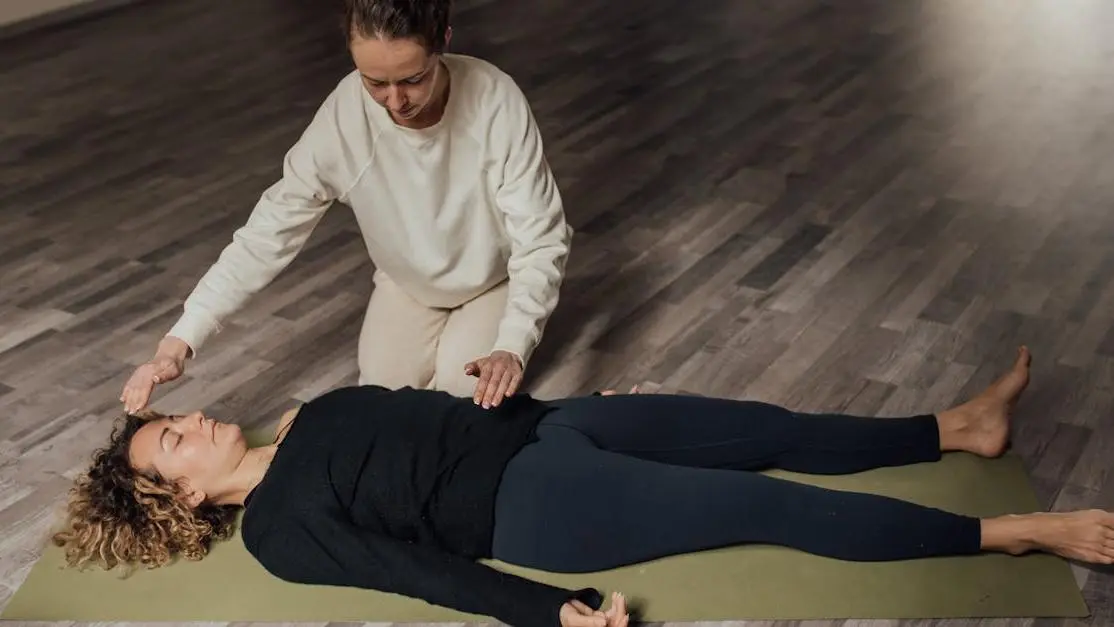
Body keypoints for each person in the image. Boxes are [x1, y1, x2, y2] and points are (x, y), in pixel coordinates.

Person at [57, 346, 1114, 627]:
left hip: (551, 424)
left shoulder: (313, 415)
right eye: (173, 448)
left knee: (759, 431)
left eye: (174, 421)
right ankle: (1011, 534)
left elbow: (444, 413)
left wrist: (570, 396)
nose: (191, 425)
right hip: (539, 509)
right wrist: (544, 613)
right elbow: (422, 574)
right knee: (770, 505)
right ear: (183, 500)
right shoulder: (281, 531)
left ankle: (956, 426)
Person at [119, 0, 573, 414]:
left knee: (464, 398)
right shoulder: (343, 117)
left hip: (493, 282)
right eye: (375, 82)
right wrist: (180, 340)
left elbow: (542, 237)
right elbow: (268, 233)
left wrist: (513, 342)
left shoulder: (496, 98)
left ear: (444, 43)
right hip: (406, 286)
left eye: (413, 78)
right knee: (380, 400)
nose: (396, 102)